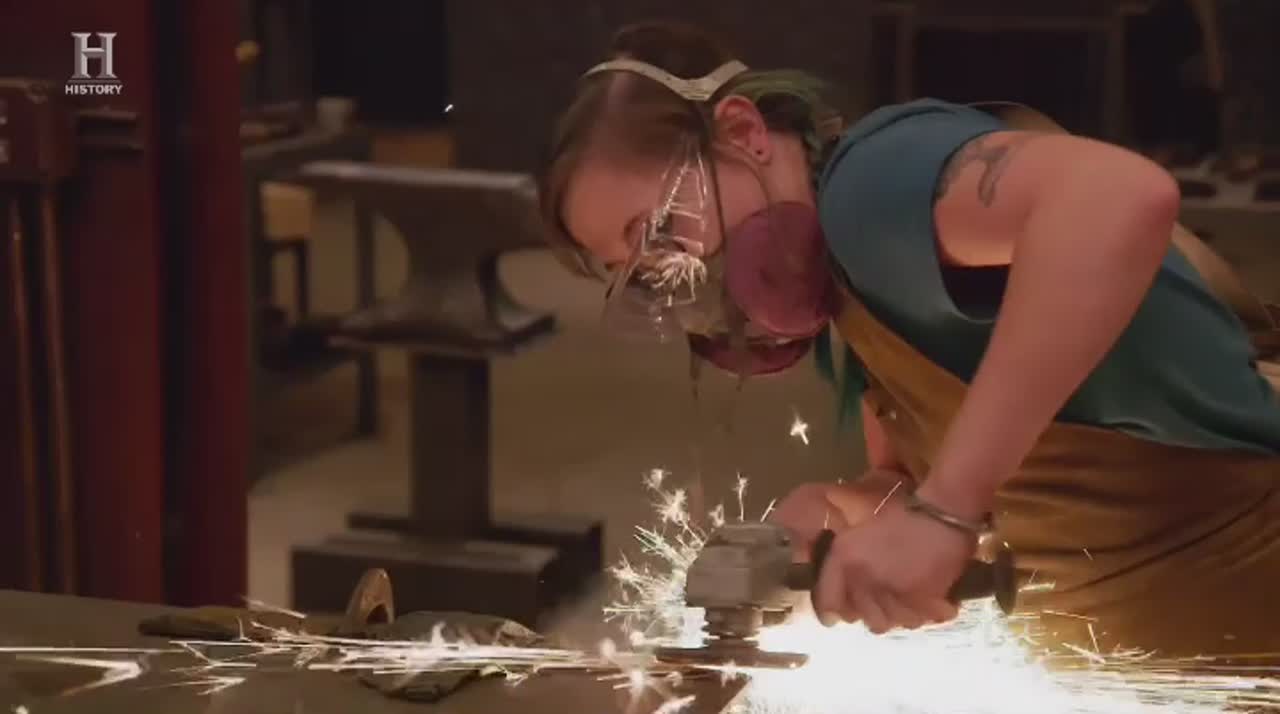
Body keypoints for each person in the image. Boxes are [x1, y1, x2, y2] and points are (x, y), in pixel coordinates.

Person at [536, 21, 1280, 657]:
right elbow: (937, 477)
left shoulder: (874, 186)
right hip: (1163, 643)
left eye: (663, 230)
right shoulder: (856, 288)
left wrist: (946, 510)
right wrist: (851, 508)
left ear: (744, 133)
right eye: (647, 272)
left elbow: (1119, 195)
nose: (682, 276)